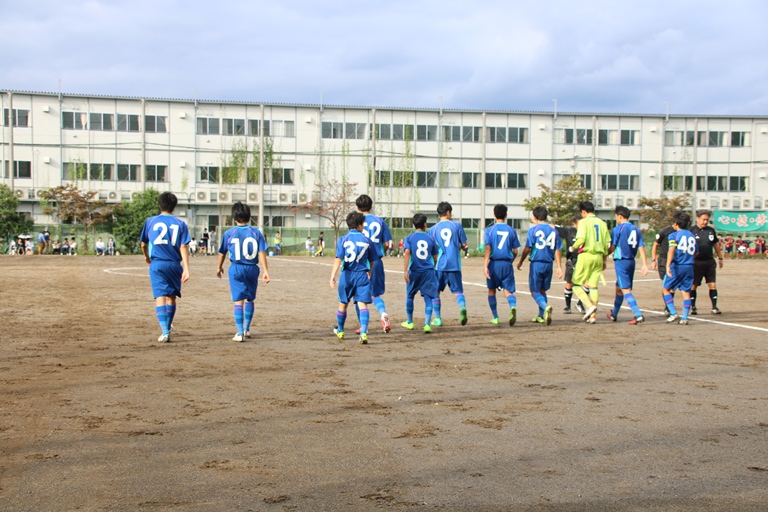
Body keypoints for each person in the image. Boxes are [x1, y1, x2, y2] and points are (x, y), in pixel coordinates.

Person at [139, 192, 191, 343]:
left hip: (158, 264)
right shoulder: (180, 224)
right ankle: (168, 325)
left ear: (159, 204)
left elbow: (143, 244)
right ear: (174, 206)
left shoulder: (150, 221)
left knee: (160, 296)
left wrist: (146, 256)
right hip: (174, 264)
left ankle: (165, 331)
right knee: (171, 297)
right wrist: (186, 268)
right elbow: (183, 246)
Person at [216, 202, 271, 342]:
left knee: (238, 300)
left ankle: (240, 332)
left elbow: (222, 253)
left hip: (236, 268)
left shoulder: (229, 233)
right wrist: (266, 271)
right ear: (249, 216)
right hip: (252, 268)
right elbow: (262, 252)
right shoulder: (256, 232)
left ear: (234, 217)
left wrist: (219, 267)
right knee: (250, 298)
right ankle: (246, 329)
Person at [329, 211, 379, 344]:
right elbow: (372, 261)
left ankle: (340, 330)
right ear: (359, 225)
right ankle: (363, 333)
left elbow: (338, 259)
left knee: (343, 304)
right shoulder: (367, 240)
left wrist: (333, 275)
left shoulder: (343, 239)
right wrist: (370, 271)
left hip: (347, 275)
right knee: (363, 305)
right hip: (362, 275)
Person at [517, 206, 563, 325]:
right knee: (542, 290)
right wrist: (559, 267)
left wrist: (521, 261)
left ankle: (545, 307)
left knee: (534, 291)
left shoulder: (533, 230)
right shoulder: (554, 231)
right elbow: (558, 250)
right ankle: (541, 316)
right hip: (549, 264)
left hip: (537, 264)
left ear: (535, 217)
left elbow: (528, 248)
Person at [428, 201, 469, 327]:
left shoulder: (433, 229)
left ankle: (438, 318)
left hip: (440, 265)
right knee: (458, 291)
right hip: (455, 265)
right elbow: (464, 244)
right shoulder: (457, 226)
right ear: (448, 212)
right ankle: (462, 306)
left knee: (435, 292)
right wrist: (461, 247)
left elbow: (433, 249)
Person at [606, 206, 649, 325]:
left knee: (625, 289)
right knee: (619, 288)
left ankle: (638, 315)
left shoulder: (618, 229)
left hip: (621, 261)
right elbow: (641, 247)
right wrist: (644, 264)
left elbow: (613, 247)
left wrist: (604, 254)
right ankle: (614, 314)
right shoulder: (636, 229)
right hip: (631, 261)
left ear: (619, 216)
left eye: (616, 216)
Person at [569, 201, 611, 324]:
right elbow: (607, 244)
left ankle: (589, 306)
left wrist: (573, 247)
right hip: (598, 257)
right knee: (593, 287)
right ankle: (593, 316)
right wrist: (604, 259)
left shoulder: (583, 222)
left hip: (586, 255)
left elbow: (581, 239)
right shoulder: (602, 223)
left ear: (583, 212)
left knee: (576, 284)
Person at [357, 194, 394, 333]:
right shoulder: (380, 221)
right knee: (375, 294)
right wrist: (379, 251)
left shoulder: (357, 221)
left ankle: (363, 326)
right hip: (377, 261)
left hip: (361, 262)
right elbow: (388, 243)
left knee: (359, 295)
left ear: (357, 207)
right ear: (371, 206)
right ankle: (383, 313)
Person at [483, 204, 521, 326]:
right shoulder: (511, 230)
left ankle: (495, 317)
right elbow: (516, 250)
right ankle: (513, 306)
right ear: (506, 215)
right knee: (508, 291)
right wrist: (511, 261)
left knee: (491, 290)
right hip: (507, 264)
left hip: (494, 264)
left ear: (494, 215)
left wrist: (485, 265)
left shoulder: (489, 230)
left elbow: (488, 248)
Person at [401, 213, 439, 333]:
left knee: (410, 296)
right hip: (428, 271)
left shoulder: (410, 238)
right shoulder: (431, 238)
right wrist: (433, 265)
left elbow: (407, 253)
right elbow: (435, 256)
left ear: (414, 225)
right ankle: (427, 324)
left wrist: (405, 270)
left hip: (414, 271)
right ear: (425, 224)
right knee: (428, 297)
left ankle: (410, 322)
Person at [662, 212, 698, 325]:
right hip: (689, 267)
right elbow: (696, 252)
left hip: (677, 266)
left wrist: (667, 265)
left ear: (676, 224)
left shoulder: (674, 235)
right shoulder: (692, 236)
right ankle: (685, 318)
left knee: (665, 289)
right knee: (686, 292)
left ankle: (673, 313)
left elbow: (671, 250)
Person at [690, 209, 724, 315]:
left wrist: (720, 258)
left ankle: (714, 307)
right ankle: (693, 307)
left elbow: (715, 244)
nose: (705, 222)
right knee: (693, 285)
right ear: (697, 218)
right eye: (703, 219)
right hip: (696, 263)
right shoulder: (691, 231)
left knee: (712, 285)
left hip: (709, 262)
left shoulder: (710, 230)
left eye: (707, 220)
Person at [556, 215, 585, 314]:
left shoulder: (587, 232)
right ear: (575, 224)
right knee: (569, 282)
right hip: (572, 260)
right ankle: (567, 306)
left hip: (584, 260)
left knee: (586, 283)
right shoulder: (569, 231)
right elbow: (553, 227)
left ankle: (580, 303)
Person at [652, 223, 676, 316]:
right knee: (667, 285)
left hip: (675, 260)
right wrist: (653, 259)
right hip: (664, 260)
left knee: (671, 286)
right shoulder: (665, 231)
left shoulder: (681, 232)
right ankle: (668, 307)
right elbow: (655, 244)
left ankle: (669, 307)